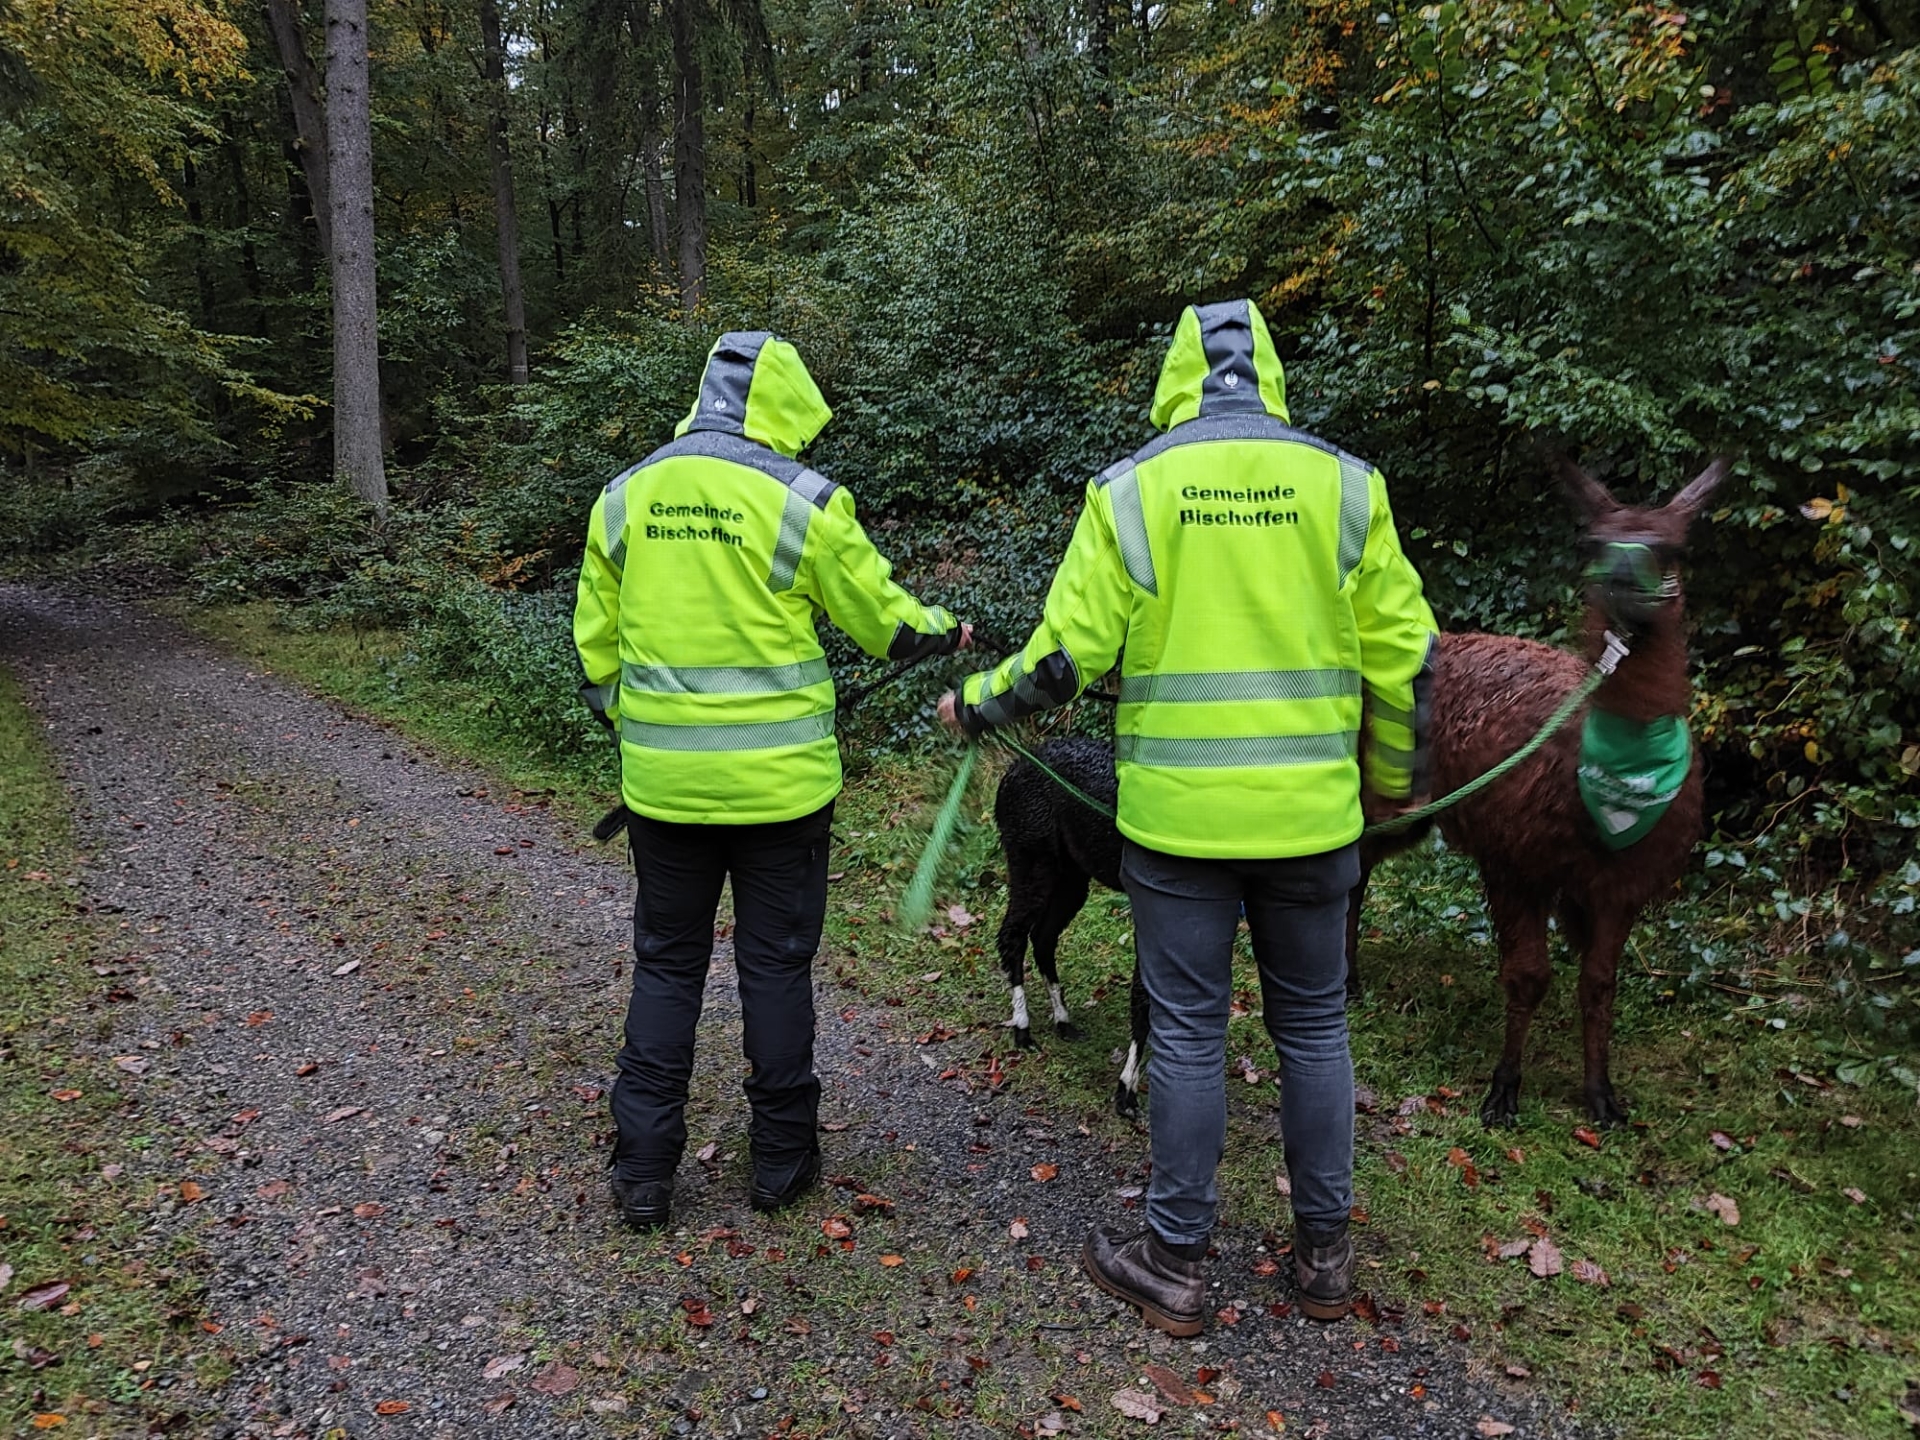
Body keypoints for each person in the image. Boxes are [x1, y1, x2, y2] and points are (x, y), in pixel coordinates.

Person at [938, 299, 1435, 1333]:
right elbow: (1408, 659)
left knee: (1192, 1035)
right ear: (1272, 375)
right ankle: (1325, 1258)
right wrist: (1388, 782)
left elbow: (1067, 657)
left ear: (1176, 379)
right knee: (1313, 1027)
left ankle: (1171, 1258)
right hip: (1312, 824)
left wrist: (978, 706)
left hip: (1178, 830)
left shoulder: (1133, 490)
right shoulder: (1348, 487)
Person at [576, 330, 970, 1230]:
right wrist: (944, 630)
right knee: (776, 968)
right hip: (783, 795)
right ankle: (782, 1162)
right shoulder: (803, 499)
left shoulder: (625, 496)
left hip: (664, 792)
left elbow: (595, 651)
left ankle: (643, 1170)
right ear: (783, 407)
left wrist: (635, 728)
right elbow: (883, 622)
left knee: (667, 966)